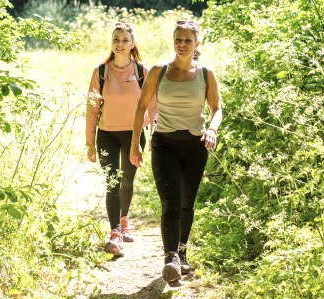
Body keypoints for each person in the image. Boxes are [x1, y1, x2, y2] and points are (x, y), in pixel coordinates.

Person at [129, 19, 222, 284]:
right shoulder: (159, 71)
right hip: (164, 142)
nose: (182, 45)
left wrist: (212, 130)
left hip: (195, 144)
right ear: (173, 41)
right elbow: (141, 107)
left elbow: (216, 109)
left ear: (197, 44)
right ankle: (171, 258)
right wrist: (136, 142)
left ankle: (182, 252)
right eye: (178, 40)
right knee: (170, 202)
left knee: (186, 204)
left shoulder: (206, 74)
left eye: (187, 41)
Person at [86, 20, 156, 257]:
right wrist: (89, 142)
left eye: (125, 40)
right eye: (116, 39)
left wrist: (154, 134)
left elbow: (154, 106)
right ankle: (114, 232)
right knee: (112, 181)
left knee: (127, 180)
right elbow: (92, 109)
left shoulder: (141, 72)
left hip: (134, 135)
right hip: (106, 134)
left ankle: (124, 220)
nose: (119, 44)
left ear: (132, 44)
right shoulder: (101, 72)